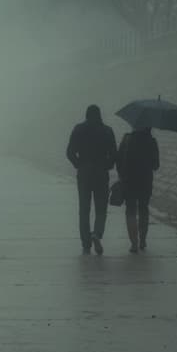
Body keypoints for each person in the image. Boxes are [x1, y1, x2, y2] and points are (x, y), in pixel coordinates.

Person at [66, 105, 117, 255]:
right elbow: (114, 154)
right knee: (101, 207)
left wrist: (78, 164)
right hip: (101, 173)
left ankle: (86, 242)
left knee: (84, 209)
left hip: (84, 174)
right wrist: (107, 165)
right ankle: (97, 233)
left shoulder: (78, 129)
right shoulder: (107, 131)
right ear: (99, 115)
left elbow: (69, 152)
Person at [116, 126, 160, 253]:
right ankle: (143, 240)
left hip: (129, 180)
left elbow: (118, 161)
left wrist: (122, 175)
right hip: (145, 181)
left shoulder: (127, 139)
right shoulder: (151, 142)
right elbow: (156, 165)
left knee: (130, 210)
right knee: (143, 209)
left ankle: (134, 243)